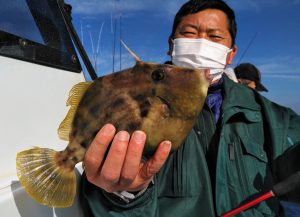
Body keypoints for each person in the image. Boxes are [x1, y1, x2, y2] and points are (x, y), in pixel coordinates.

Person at [79, 1, 300, 216]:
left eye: (214, 36)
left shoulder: (273, 116)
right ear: (171, 44)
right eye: (190, 33)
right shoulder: (136, 97)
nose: (201, 43)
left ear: (231, 54)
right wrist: (124, 194)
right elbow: (100, 188)